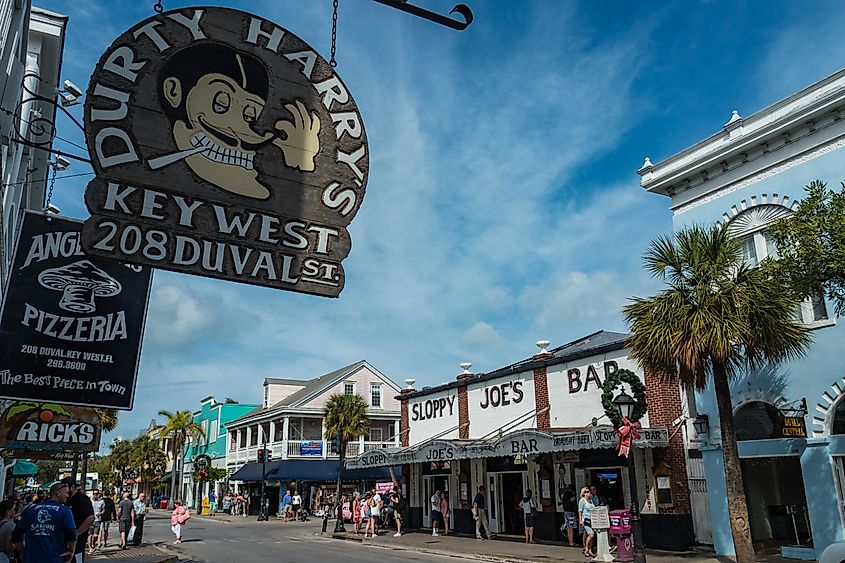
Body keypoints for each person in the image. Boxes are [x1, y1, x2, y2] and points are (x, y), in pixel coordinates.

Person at [12, 482, 76, 563]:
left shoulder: (31, 509)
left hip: (31, 558)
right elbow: (72, 533)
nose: (68, 496)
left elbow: (16, 534)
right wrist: (71, 551)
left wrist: (21, 552)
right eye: (66, 493)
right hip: (55, 558)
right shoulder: (64, 510)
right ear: (58, 493)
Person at [61, 478, 94, 563]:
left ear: (72, 487)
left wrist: (76, 533)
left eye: (65, 488)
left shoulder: (82, 499)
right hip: (65, 540)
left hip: (78, 542)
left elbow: (90, 518)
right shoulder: (67, 500)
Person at [578, 486, 595, 558]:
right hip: (586, 520)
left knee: (590, 536)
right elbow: (580, 511)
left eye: (589, 492)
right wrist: (581, 520)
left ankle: (590, 550)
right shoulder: (582, 500)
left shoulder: (591, 500)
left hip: (592, 520)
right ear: (584, 493)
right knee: (591, 534)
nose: (589, 493)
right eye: (587, 492)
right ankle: (586, 549)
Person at [87, 490, 104, 555]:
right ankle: (90, 548)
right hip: (90, 520)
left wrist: (100, 513)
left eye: (97, 494)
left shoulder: (101, 501)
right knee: (90, 534)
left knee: (96, 535)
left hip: (97, 520)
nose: (95, 495)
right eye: (94, 494)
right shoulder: (90, 501)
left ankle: (93, 544)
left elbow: (103, 510)